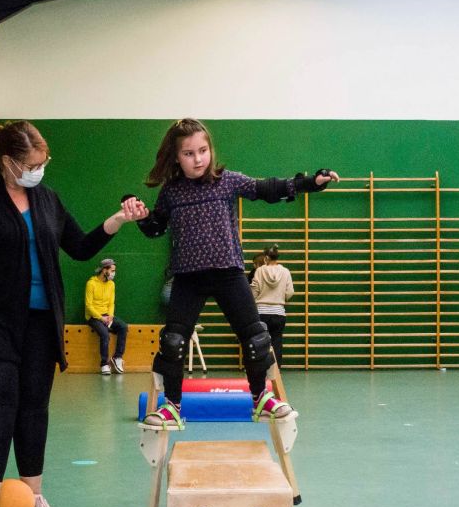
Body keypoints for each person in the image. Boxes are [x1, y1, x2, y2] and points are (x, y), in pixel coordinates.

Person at [0, 121, 147, 507]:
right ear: (7, 162)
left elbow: (80, 248)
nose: (38, 171)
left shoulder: (48, 200)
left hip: (41, 321)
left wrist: (118, 220)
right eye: (31, 165)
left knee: (34, 407)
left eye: (42, 163)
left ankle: (34, 497)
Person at [133, 118, 338, 426]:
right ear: (176, 157)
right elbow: (156, 228)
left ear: (210, 149)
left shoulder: (226, 181)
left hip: (228, 273)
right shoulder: (171, 192)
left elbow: (266, 188)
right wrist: (142, 216)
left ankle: (261, 399)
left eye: (203, 150)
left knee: (256, 337)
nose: (198, 159)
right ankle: (171, 406)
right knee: (173, 341)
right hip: (188, 277)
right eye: (189, 153)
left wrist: (309, 183)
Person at [251, 244, 294, 367]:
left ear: (266, 258)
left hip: (262, 312)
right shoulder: (285, 271)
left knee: (260, 342)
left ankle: (261, 369)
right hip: (278, 312)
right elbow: (290, 292)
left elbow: (254, 291)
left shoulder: (260, 271)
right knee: (277, 342)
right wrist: (280, 297)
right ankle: (276, 370)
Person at [85, 258, 128, 375]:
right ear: (104, 270)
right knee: (105, 334)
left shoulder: (111, 284)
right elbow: (88, 305)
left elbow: (111, 303)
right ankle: (104, 364)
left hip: (107, 316)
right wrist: (101, 318)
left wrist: (110, 316)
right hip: (93, 317)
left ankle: (117, 357)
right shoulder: (91, 284)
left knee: (123, 327)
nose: (114, 273)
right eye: (112, 271)